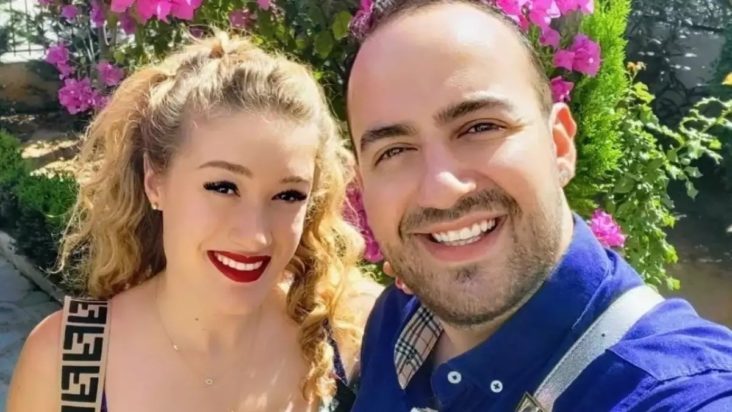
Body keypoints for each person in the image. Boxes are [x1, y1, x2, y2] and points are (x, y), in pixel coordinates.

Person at [345, 1, 732, 411]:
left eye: (480, 127)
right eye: (394, 151)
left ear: (559, 145)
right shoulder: (395, 320)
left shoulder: (678, 390)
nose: (441, 189)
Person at [7, 32, 381, 412]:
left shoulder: (349, 335)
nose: (255, 236)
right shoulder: (66, 360)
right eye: (223, 187)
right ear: (155, 181)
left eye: (288, 195)